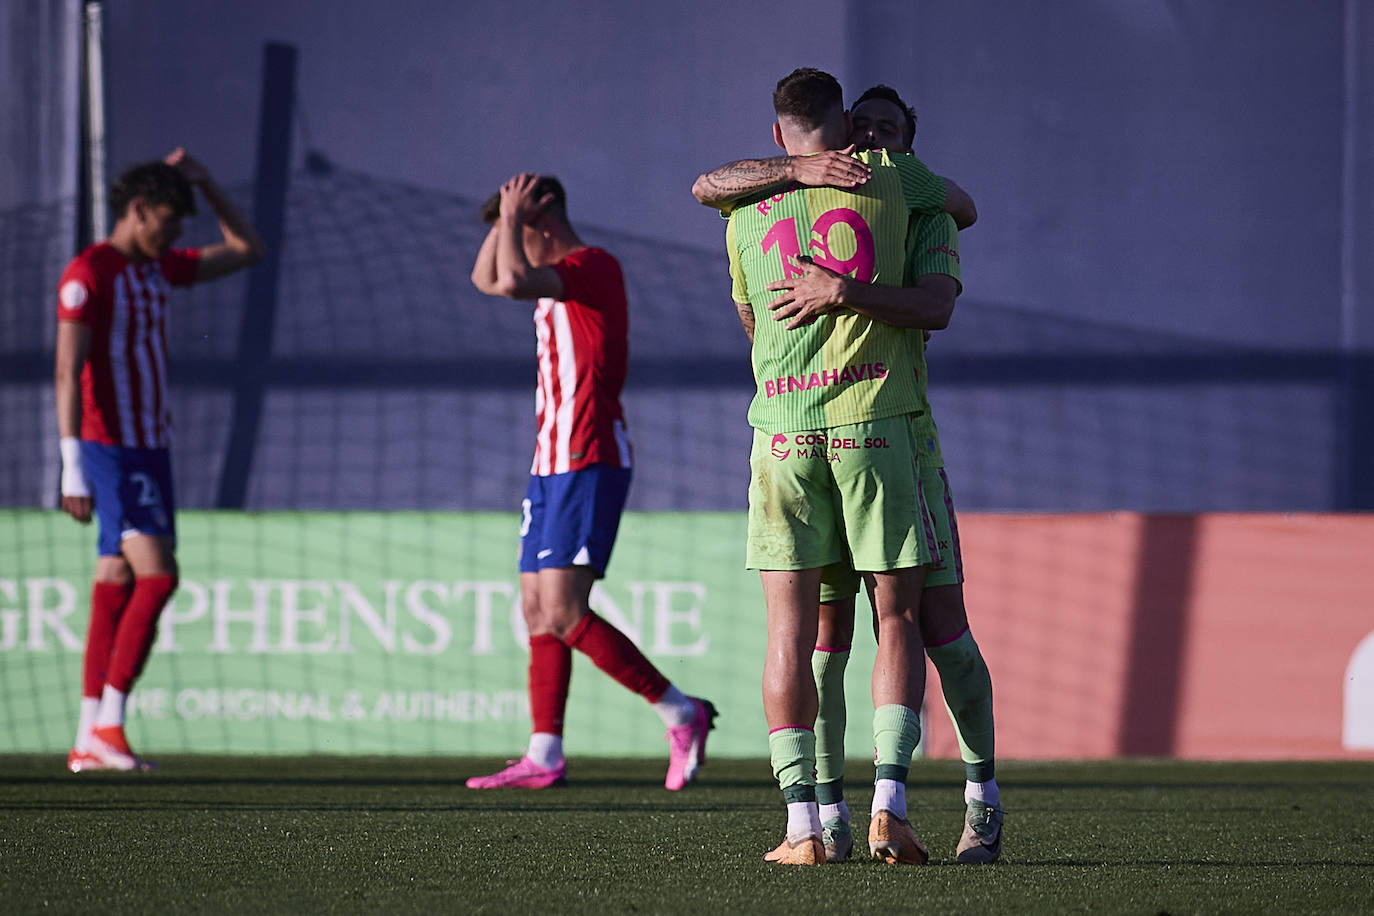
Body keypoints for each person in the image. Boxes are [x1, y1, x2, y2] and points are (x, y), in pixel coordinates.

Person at [698, 85, 1003, 865]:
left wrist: (844, 291)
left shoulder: (912, 200)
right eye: (860, 128)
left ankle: (979, 794)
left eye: (887, 132)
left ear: (909, 142)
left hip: (895, 441)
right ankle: (836, 816)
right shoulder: (832, 193)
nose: (870, 142)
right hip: (861, 435)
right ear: (833, 130)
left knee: (943, 633)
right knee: (835, 634)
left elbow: (937, 301)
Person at [467, 173, 716, 791]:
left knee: (564, 609)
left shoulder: (592, 265)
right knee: (535, 610)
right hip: (548, 464)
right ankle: (545, 753)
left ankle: (682, 713)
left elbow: (512, 278)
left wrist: (515, 217)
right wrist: (506, 218)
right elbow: (489, 280)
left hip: (589, 455)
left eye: (515, 226)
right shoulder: (546, 274)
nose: (506, 241)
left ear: (545, 216)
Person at [57, 149, 265, 772]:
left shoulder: (157, 270)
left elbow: (247, 248)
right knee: (160, 575)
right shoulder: (89, 272)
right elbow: (68, 370)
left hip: (151, 446)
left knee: (116, 580)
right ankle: (111, 726)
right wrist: (71, 465)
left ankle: (87, 735)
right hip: (110, 448)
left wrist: (207, 181)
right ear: (138, 210)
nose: (176, 235)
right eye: (169, 221)